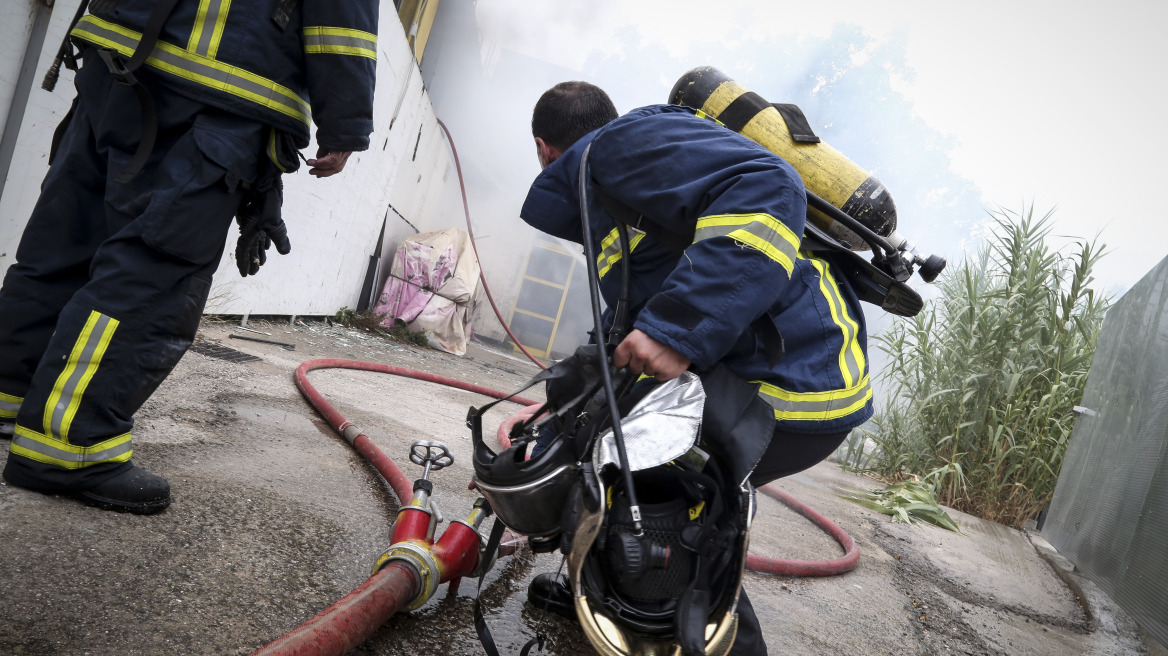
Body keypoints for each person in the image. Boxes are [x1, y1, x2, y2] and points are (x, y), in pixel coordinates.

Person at [520, 81, 874, 655]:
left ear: (543, 149)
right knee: (598, 453)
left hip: (786, 383)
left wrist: (675, 330)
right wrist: (562, 407)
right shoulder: (618, 183)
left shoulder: (619, 146)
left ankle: (680, 624)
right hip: (773, 369)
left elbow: (770, 188)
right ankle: (609, 601)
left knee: (664, 508)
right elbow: (633, 313)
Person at [0, 0, 378, 514]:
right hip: (216, 94)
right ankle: (70, 445)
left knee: (62, 246)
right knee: (150, 276)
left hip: (113, 59)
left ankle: (8, 395)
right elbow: (342, 24)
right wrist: (346, 124)